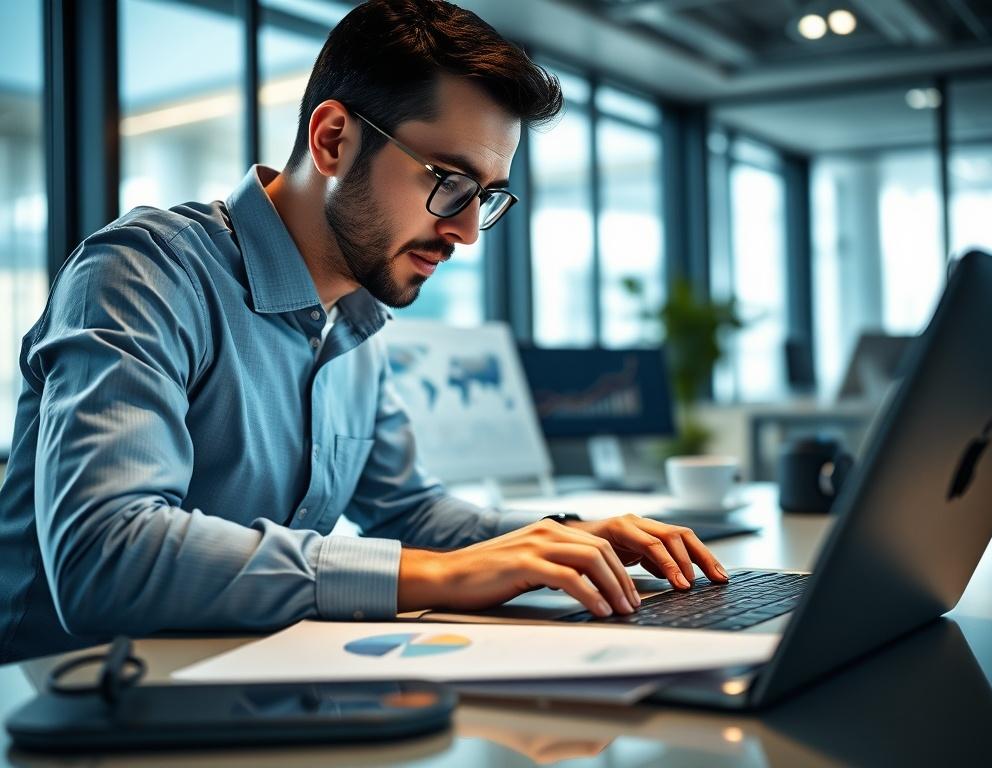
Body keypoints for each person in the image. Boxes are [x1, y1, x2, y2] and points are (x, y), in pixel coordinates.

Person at [0, 0, 728, 663]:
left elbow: (410, 511)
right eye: (448, 181)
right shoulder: (144, 273)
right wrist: (442, 575)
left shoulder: (353, 317)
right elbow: (105, 555)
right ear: (333, 140)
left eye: (486, 197)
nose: (469, 232)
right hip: (66, 705)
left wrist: (565, 537)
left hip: (244, 681)